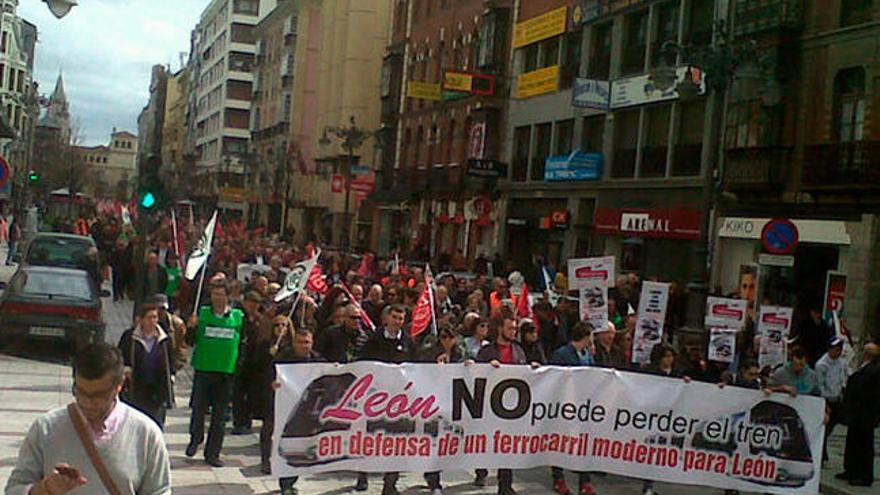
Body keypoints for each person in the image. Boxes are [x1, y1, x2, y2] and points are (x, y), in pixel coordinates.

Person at [4, 343, 171, 495]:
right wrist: (46, 489)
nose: (88, 403)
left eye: (98, 396)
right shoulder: (46, 428)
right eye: (81, 392)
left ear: (119, 385)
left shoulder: (146, 434)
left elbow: (159, 491)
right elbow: (14, 489)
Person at [356, 304, 416, 495]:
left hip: (398, 401)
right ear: (386, 319)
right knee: (369, 440)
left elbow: (416, 366)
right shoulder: (372, 340)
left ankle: (390, 483)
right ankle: (362, 474)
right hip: (374, 399)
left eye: (401, 318)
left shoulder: (409, 342)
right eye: (395, 317)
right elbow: (361, 364)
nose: (398, 321)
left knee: (396, 442)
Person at [476, 315, 539, 495]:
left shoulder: (518, 350)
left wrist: (531, 370)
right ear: (500, 329)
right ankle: (481, 471)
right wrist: (487, 367)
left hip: (511, 407)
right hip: (490, 405)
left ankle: (505, 484)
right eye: (510, 328)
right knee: (487, 442)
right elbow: (476, 374)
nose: (513, 332)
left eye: (515, 329)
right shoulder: (487, 351)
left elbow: (523, 373)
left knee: (507, 445)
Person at [185, 280, 245, 467]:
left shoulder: (238, 316)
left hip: (226, 373)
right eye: (214, 294)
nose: (217, 298)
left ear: (228, 296)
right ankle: (196, 438)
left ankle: (212, 453)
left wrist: (238, 366)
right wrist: (192, 327)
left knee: (219, 417)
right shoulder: (201, 314)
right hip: (204, 370)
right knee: (198, 410)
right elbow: (189, 341)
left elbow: (243, 343)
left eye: (221, 294)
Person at [272, 326, 325, 495]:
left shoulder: (319, 361)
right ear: (294, 343)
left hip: (309, 411)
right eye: (300, 342)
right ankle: (285, 483)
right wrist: (273, 384)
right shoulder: (282, 359)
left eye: (307, 342)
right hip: (287, 409)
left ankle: (291, 480)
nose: (304, 346)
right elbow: (268, 377)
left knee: (303, 446)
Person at [549, 322, 596, 495]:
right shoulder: (561, 354)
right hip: (566, 404)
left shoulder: (587, 354)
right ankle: (558, 478)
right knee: (560, 442)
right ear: (585, 336)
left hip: (584, 406)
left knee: (584, 443)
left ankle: (585, 482)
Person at [117, 303, 176, 428]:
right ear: (140, 319)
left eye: (155, 317)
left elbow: (171, 361)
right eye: (149, 317)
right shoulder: (130, 337)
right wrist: (126, 370)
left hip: (158, 390)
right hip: (136, 389)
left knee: (156, 426)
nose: (153, 321)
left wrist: (171, 377)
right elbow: (120, 357)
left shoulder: (164, 339)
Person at [836, 340, 880, 487]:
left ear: (868, 355)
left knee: (864, 445)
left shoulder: (874, 370)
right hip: (857, 413)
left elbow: (867, 392)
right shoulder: (864, 367)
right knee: (853, 442)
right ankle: (851, 469)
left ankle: (864, 475)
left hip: (865, 413)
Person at [816, 336, 849, 462]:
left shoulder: (842, 362)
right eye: (836, 349)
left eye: (840, 349)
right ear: (830, 349)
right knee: (825, 428)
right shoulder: (822, 364)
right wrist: (824, 403)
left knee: (832, 426)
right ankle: (821, 453)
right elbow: (820, 385)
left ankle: (823, 452)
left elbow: (844, 375)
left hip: (838, 398)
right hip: (827, 399)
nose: (838, 352)